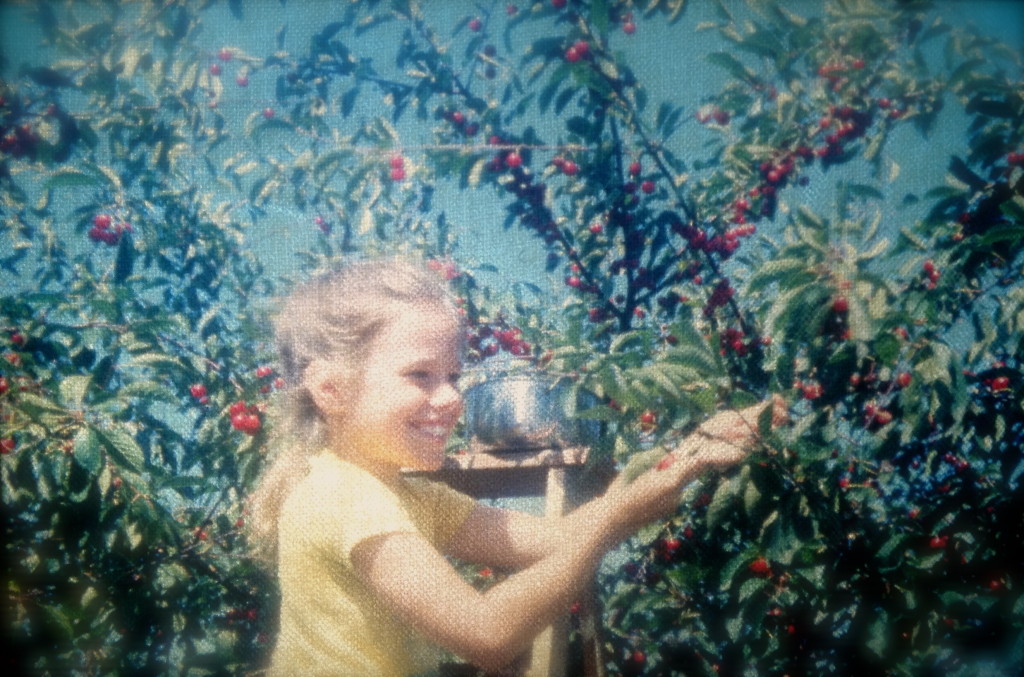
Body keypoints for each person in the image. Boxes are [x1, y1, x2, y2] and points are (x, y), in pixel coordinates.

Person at [248, 257, 786, 676]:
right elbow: (487, 634)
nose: (452, 397)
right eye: (421, 375)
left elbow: (554, 540)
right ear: (331, 389)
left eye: (454, 375)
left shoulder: (407, 495)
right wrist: (622, 518)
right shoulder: (346, 498)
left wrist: (688, 458)